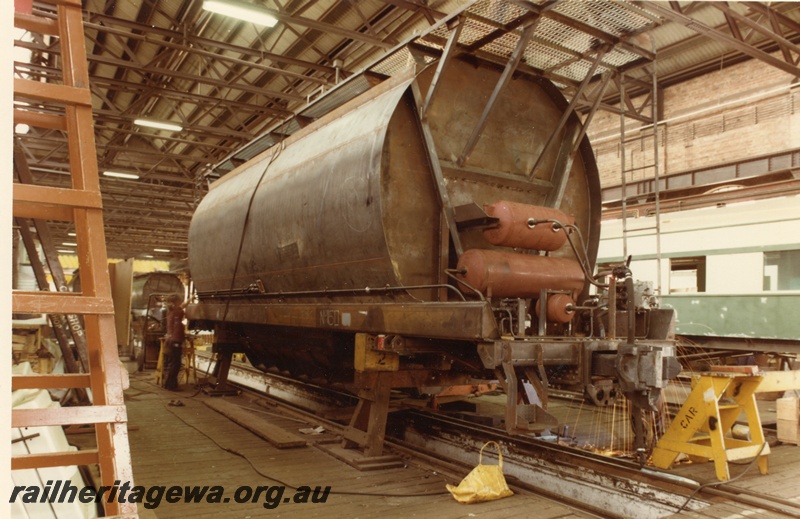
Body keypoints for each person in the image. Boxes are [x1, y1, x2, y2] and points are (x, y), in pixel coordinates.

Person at [162, 294, 185, 390]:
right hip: (175, 340)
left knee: (172, 363)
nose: (181, 303)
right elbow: (181, 310)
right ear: (176, 302)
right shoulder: (177, 312)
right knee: (176, 363)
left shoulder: (170, 311)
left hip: (170, 340)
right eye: (179, 301)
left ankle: (168, 384)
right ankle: (171, 385)